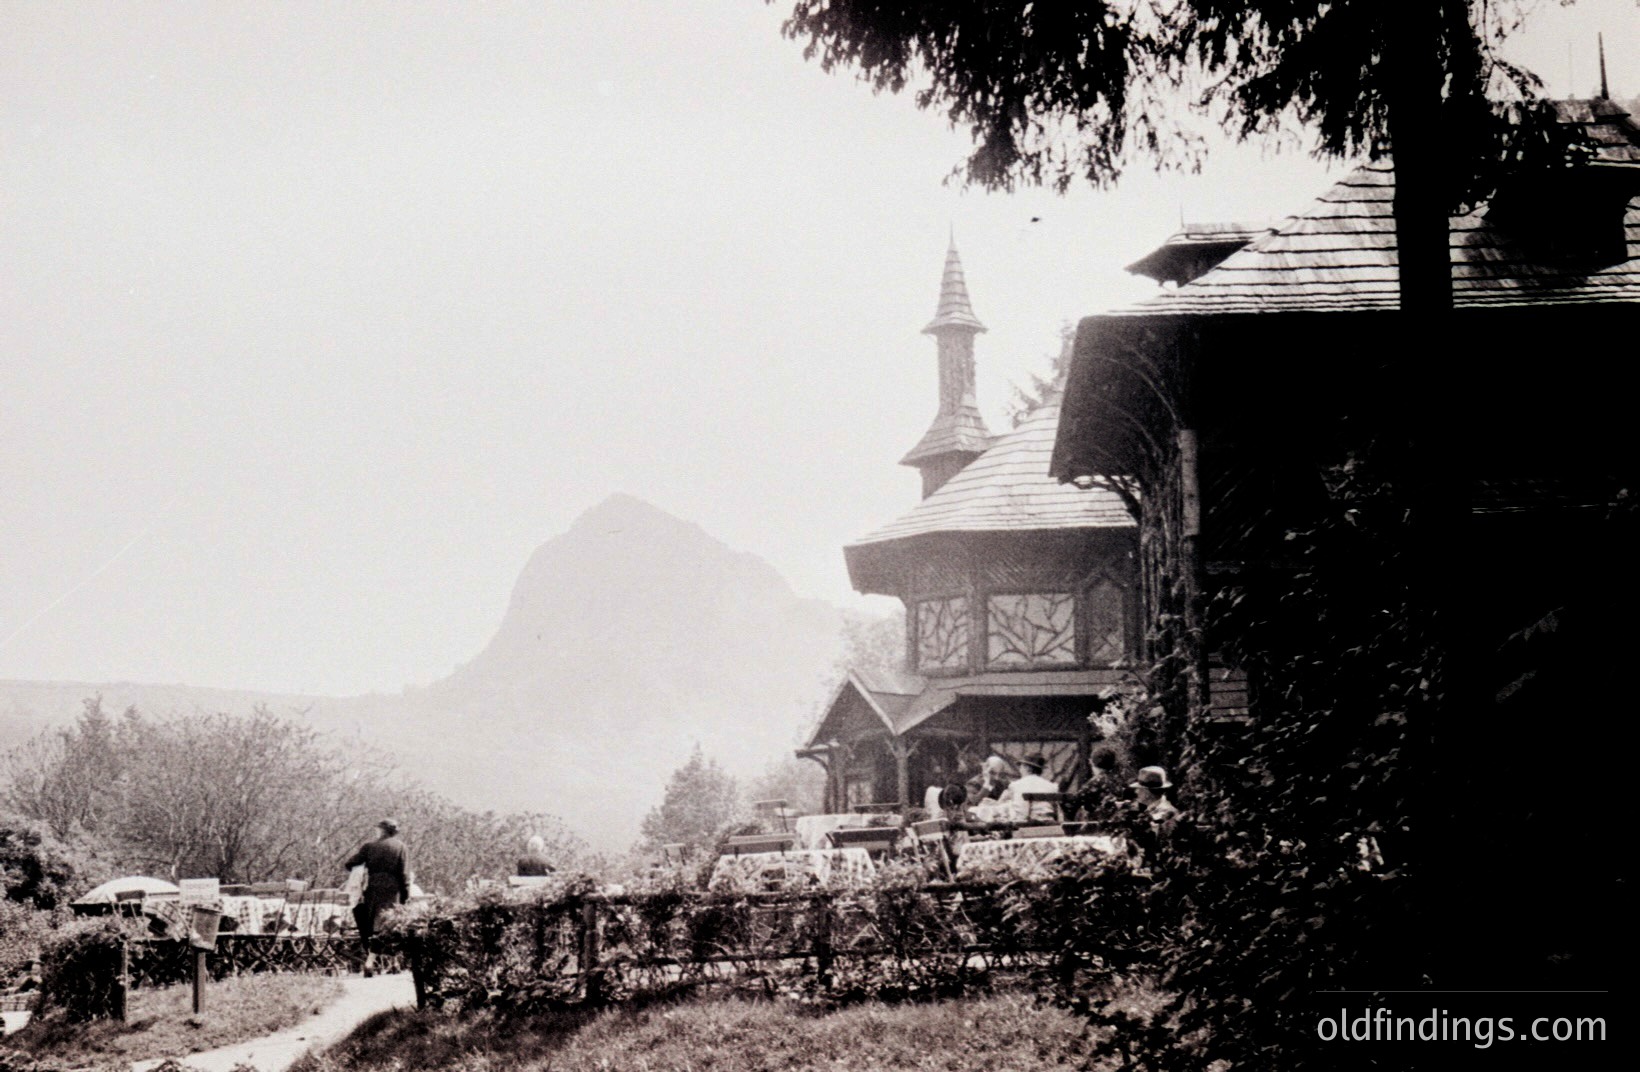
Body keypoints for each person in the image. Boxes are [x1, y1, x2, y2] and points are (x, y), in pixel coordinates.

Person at [344, 818, 410, 975]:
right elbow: (404, 873)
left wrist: (364, 869)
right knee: (391, 926)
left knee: (374, 927)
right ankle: (387, 963)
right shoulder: (401, 847)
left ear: (381, 830)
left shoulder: (369, 847)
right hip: (393, 890)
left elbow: (349, 863)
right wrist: (406, 894)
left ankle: (373, 962)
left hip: (373, 889)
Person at [1002, 754, 1060, 823]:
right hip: (1051, 824)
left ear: (1026, 767)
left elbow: (1021, 814)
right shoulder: (1052, 786)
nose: (1020, 769)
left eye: (1021, 766)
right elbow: (1057, 811)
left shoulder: (1017, 785)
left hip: (1031, 827)